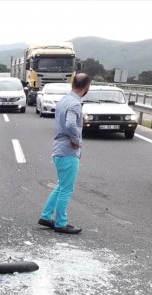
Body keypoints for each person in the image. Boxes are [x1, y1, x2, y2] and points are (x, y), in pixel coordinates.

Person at [37, 73, 91, 235]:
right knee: (66, 189)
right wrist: (76, 139)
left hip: (58, 149)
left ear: (72, 84)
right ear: (87, 87)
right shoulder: (74, 104)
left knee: (61, 186)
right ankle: (61, 223)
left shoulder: (64, 100)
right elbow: (69, 124)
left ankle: (46, 217)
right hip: (68, 151)